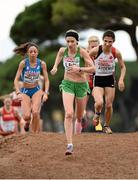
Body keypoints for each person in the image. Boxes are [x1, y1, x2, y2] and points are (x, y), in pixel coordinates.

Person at [50, 29, 95, 155]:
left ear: (77, 42)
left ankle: (82, 117)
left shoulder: (82, 52)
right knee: (69, 113)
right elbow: (58, 57)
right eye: (68, 41)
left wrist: (80, 68)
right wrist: (54, 67)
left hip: (81, 85)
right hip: (67, 84)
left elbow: (93, 69)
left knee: (78, 116)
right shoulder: (62, 50)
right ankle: (69, 144)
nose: (70, 44)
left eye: (72, 41)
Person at [89, 30, 126, 134]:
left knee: (109, 105)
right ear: (102, 40)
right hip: (98, 79)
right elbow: (86, 60)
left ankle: (106, 126)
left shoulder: (115, 52)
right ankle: (97, 113)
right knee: (100, 102)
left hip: (110, 79)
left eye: (110, 41)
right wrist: (86, 72)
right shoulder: (96, 51)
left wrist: (121, 80)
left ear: (113, 41)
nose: (107, 44)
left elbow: (123, 67)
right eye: (105, 41)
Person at [14, 42, 49, 133]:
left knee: (36, 112)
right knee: (26, 116)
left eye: (35, 51)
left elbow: (46, 80)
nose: (33, 53)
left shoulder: (42, 64)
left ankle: (34, 134)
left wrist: (45, 93)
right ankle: (27, 122)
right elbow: (16, 79)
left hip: (36, 90)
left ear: (37, 53)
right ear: (28, 53)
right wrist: (18, 92)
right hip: (25, 91)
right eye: (31, 52)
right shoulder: (23, 63)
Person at [82, 35, 103, 132]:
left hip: (97, 82)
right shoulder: (85, 53)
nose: (94, 48)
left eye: (96, 46)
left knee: (99, 103)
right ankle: (82, 120)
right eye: (92, 46)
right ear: (88, 46)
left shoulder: (102, 54)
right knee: (82, 106)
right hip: (86, 81)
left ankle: (97, 120)